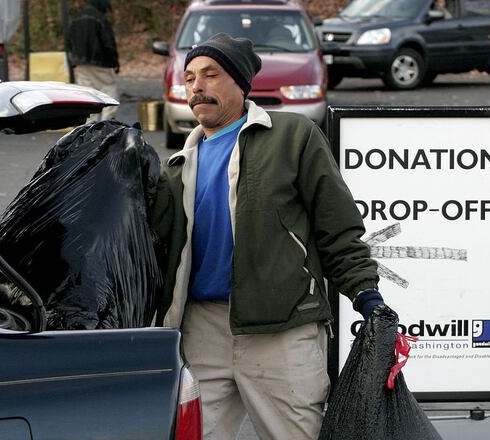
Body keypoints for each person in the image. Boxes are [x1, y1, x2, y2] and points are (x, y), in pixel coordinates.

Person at [149, 33, 390, 439]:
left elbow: (337, 224)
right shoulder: (176, 164)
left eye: (211, 74)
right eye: (189, 78)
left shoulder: (292, 137)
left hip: (281, 329)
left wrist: (366, 294)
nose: (197, 87)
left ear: (242, 83)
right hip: (201, 331)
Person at [66, 0, 119, 121]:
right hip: (101, 62)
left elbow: (69, 43)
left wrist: (73, 61)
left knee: (88, 93)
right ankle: (108, 120)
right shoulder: (101, 19)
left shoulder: (75, 20)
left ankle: (90, 122)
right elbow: (109, 44)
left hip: (80, 62)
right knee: (108, 88)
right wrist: (115, 62)